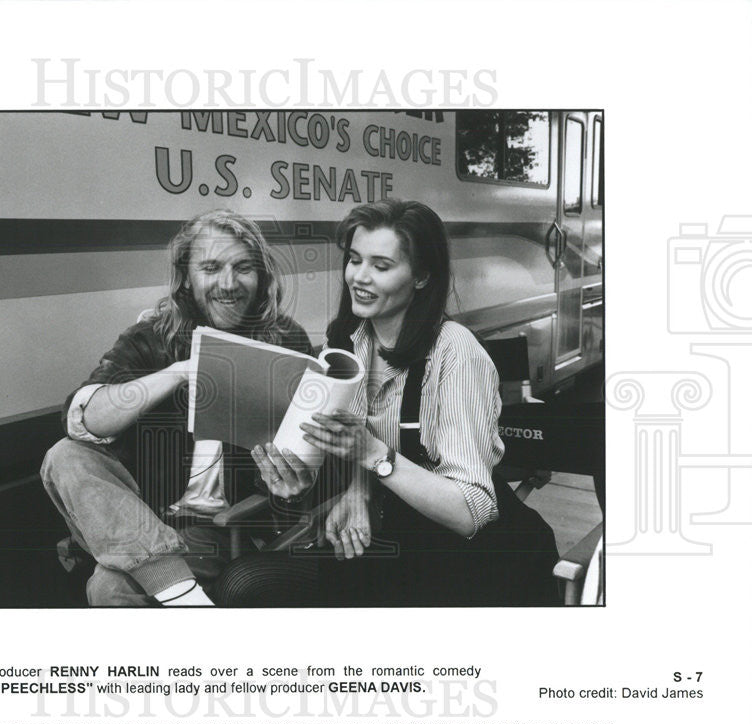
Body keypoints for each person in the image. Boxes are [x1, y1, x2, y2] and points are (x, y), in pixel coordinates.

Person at [221, 199, 559, 606]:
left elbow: (473, 511)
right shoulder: (346, 343)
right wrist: (311, 486)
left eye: (381, 266)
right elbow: (342, 448)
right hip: (391, 534)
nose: (358, 278)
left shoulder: (455, 353)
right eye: (354, 259)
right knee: (241, 583)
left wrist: (373, 457)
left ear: (421, 276)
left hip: (472, 556)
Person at [40, 210, 314, 607]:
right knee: (65, 454)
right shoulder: (152, 337)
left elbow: (300, 465)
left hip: (212, 528)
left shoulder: (286, 342)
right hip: (138, 513)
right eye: (211, 268)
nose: (228, 283)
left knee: (108, 588)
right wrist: (177, 373)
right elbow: (83, 420)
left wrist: (289, 489)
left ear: (261, 277)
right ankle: (186, 598)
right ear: (187, 276)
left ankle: (178, 599)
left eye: (243, 268)